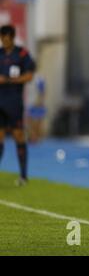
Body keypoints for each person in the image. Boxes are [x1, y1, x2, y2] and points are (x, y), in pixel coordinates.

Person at [0, 24, 36, 186]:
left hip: (14, 103)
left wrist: (8, 80)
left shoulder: (22, 54)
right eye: (2, 38)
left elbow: (29, 76)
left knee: (19, 136)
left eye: (7, 39)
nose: (4, 42)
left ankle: (23, 176)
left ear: (13, 38)